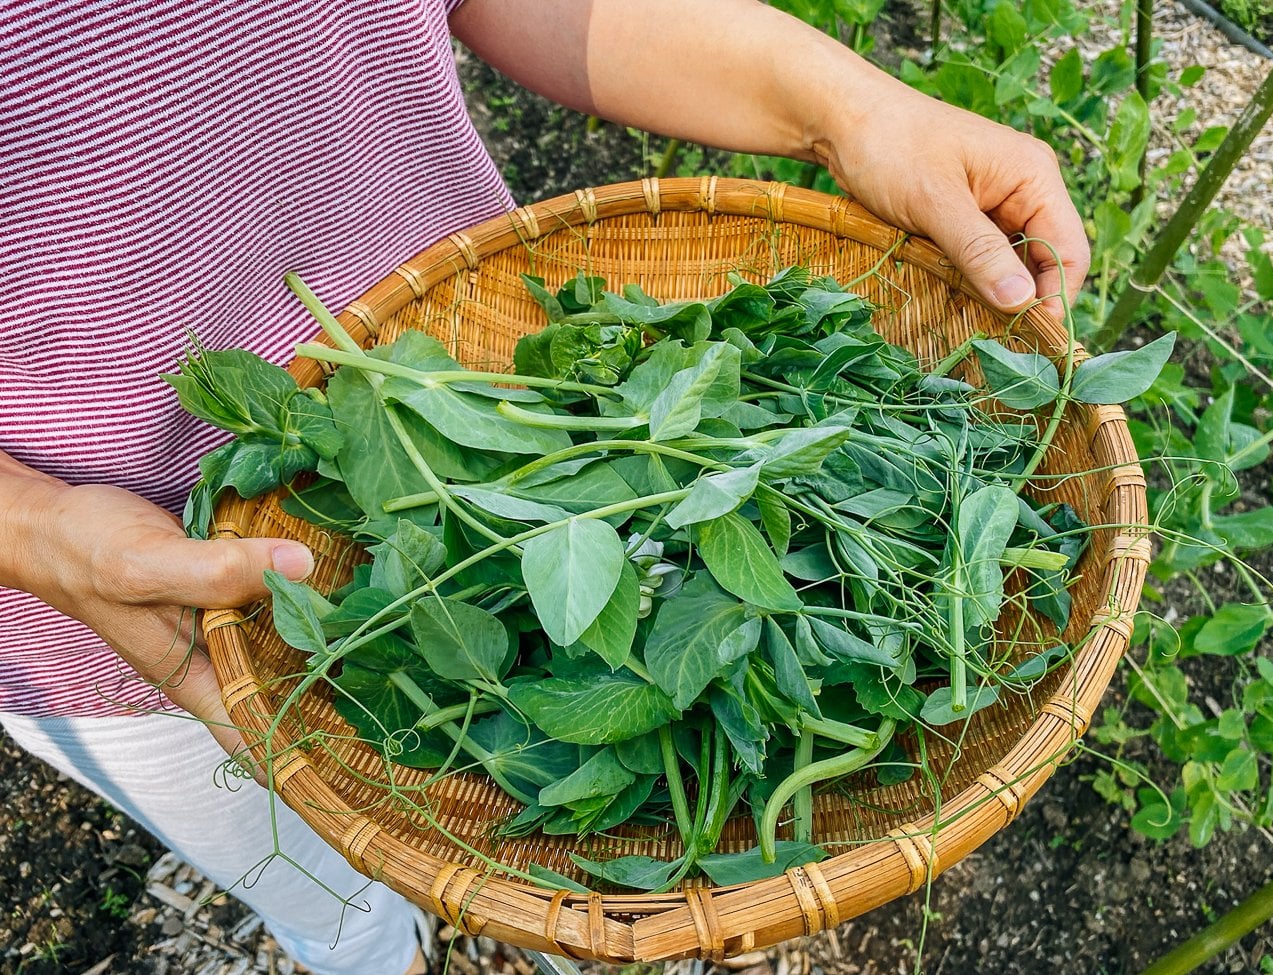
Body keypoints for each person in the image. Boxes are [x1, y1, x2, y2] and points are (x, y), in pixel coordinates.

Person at [0, 1, 1090, 972]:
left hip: (497, 383)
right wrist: (40, 531)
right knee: (327, 896)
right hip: (129, 602)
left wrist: (844, 106)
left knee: (526, 794)